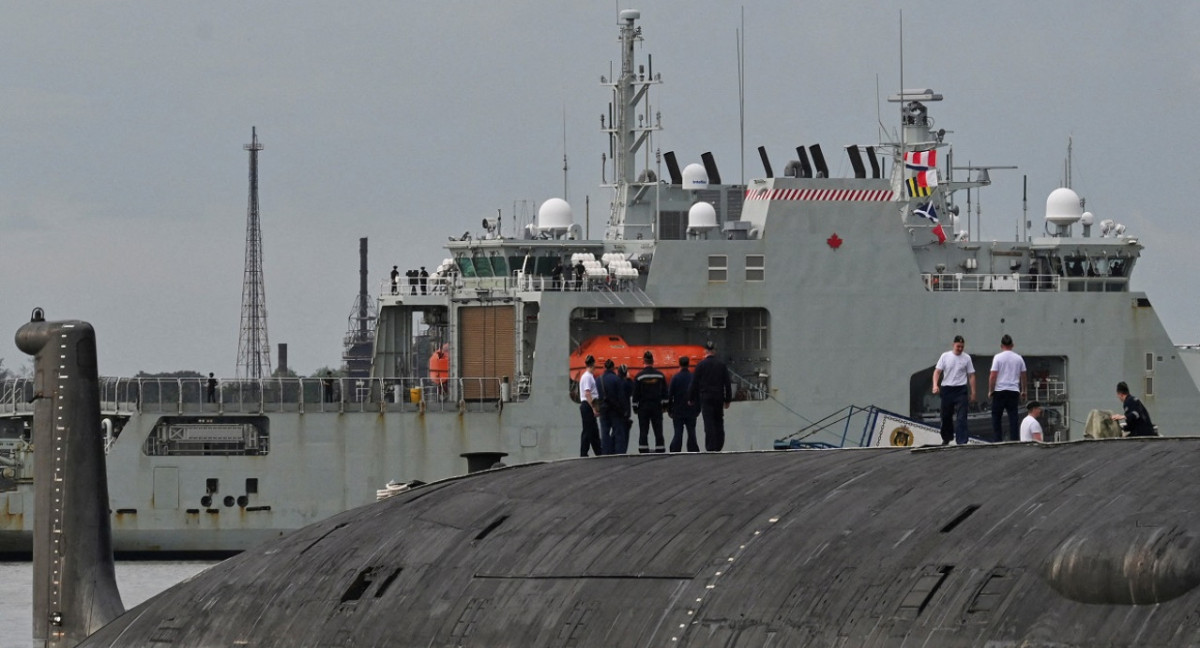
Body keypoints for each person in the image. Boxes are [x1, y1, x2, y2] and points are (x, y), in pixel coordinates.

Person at [688, 341, 732, 451]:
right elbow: (727, 383)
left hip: (706, 397)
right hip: (718, 397)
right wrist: (728, 399)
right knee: (718, 421)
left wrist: (690, 398)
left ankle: (710, 446)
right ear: (714, 351)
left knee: (708, 422)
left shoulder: (700, 365)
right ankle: (719, 444)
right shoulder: (721, 365)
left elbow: (694, 383)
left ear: (705, 351)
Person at [932, 335, 976, 445]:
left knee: (961, 417)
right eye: (958, 346)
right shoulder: (945, 356)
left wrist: (973, 392)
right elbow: (937, 372)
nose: (960, 349)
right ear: (953, 345)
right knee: (946, 416)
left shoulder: (967, 358)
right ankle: (947, 437)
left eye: (962, 347)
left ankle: (962, 441)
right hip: (947, 389)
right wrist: (935, 385)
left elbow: (971, 375)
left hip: (961, 389)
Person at [988, 334, 1027, 442]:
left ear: (1001, 346)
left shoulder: (997, 357)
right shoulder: (1019, 358)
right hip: (1013, 391)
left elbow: (993, 375)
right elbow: (1023, 375)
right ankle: (1014, 440)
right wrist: (1024, 391)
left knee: (996, 417)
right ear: (1012, 345)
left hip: (1000, 391)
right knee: (1013, 417)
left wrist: (991, 391)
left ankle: (997, 440)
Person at [633, 351, 668, 453]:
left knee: (644, 430)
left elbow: (636, 394)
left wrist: (635, 407)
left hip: (643, 407)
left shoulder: (639, 376)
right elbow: (665, 392)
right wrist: (665, 406)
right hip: (656, 406)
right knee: (658, 429)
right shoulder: (660, 375)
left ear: (643, 361)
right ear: (653, 361)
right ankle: (660, 448)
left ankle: (643, 448)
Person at [667, 356, 700, 452]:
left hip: (678, 410)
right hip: (691, 410)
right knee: (691, 432)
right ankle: (693, 450)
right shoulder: (693, 377)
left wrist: (669, 409)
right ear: (688, 364)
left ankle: (675, 449)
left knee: (678, 432)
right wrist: (698, 409)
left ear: (679, 364)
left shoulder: (675, 378)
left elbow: (670, 395)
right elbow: (697, 394)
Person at [597, 359, 625, 454]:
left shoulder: (598, 380)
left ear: (604, 367)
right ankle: (618, 452)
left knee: (605, 432)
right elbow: (621, 396)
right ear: (613, 368)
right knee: (618, 432)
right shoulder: (617, 379)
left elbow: (596, 396)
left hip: (603, 410)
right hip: (615, 410)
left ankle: (605, 452)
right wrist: (623, 410)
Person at [577, 355, 601, 456]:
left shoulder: (587, 376)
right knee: (589, 430)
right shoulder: (587, 377)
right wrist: (594, 408)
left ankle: (597, 451)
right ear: (593, 364)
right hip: (587, 406)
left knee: (591, 429)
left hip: (587, 405)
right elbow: (587, 393)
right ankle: (586, 453)